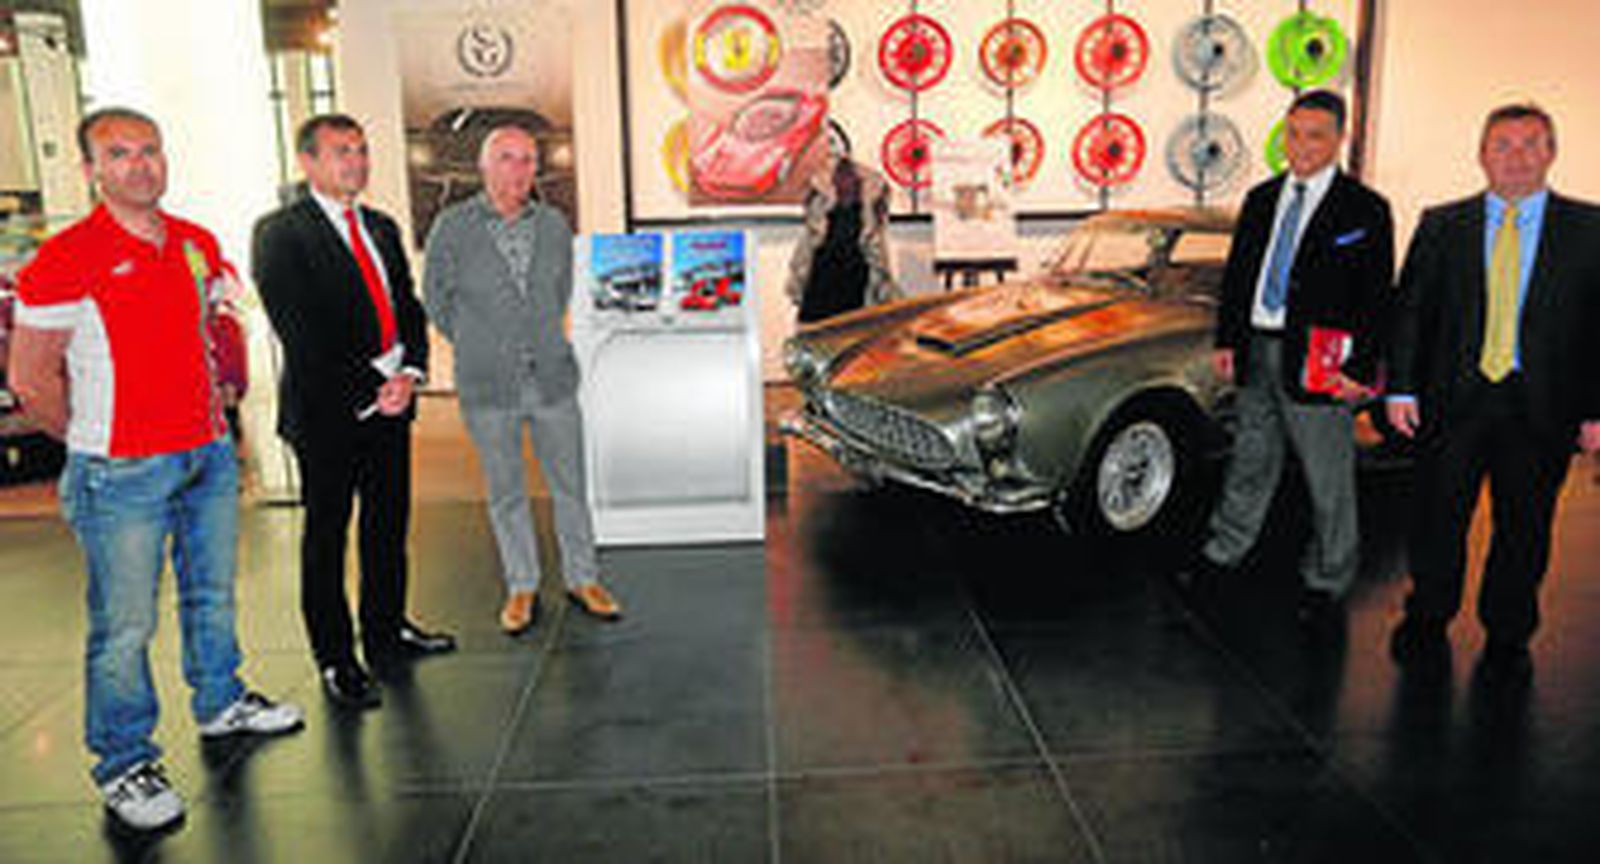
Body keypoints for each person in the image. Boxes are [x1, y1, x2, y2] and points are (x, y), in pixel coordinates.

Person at [8, 107, 302, 832]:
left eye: (150, 150)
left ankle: (220, 701)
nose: (140, 165)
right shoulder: (66, 258)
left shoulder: (196, 242)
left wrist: (222, 403)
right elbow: (31, 377)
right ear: (90, 170)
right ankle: (123, 763)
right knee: (125, 625)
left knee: (211, 595)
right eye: (119, 154)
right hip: (121, 473)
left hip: (206, 454)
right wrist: (93, 443)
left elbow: (215, 323)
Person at [1386, 103, 1600, 680]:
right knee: (1438, 518)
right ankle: (1427, 615)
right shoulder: (1442, 224)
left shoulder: (1590, 229)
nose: (1516, 156)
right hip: (1453, 402)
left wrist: (1596, 410)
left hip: (1542, 407)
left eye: (1531, 143)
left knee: (1525, 526)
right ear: (1482, 154)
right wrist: (1400, 388)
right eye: (1502, 144)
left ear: (1551, 153)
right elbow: (1411, 312)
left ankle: (1509, 630)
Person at [253, 114, 455, 711]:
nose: (357, 162)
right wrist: (378, 382)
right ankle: (336, 658)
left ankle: (386, 631)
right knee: (327, 536)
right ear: (308, 161)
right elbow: (301, 329)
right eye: (342, 151)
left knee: (387, 527)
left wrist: (410, 373)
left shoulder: (381, 227)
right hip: (327, 411)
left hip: (392, 404)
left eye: (362, 150)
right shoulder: (280, 233)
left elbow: (408, 308)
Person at [1185, 89, 1394, 625]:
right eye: (1293, 133)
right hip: (1256, 348)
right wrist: (1228, 340)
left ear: (1339, 139)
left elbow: (1376, 298)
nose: (1301, 146)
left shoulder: (1365, 209)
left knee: (1327, 475)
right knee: (1250, 459)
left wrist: (1360, 369)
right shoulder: (1261, 199)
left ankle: (1329, 576)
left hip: (1320, 361)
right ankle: (1224, 550)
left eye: (1315, 136)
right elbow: (1239, 277)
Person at [422, 125, 622, 634]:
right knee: (506, 491)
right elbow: (436, 299)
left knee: (571, 485)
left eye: (528, 160)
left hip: (552, 380)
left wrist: (535, 336)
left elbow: (559, 292)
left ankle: (583, 578)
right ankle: (522, 585)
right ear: (484, 167)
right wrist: (479, 341)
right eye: (507, 158)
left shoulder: (553, 224)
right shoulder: (452, 226)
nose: (519, 170)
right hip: (488, 385)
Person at [785, 154, 898, 323]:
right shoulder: (822, 216)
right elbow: (805, 257)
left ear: (859, 184)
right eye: (840, 178)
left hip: (856, 303)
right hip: (818, 302)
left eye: (850, 179)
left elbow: (877, 263)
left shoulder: (866, 221)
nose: (845, 184)